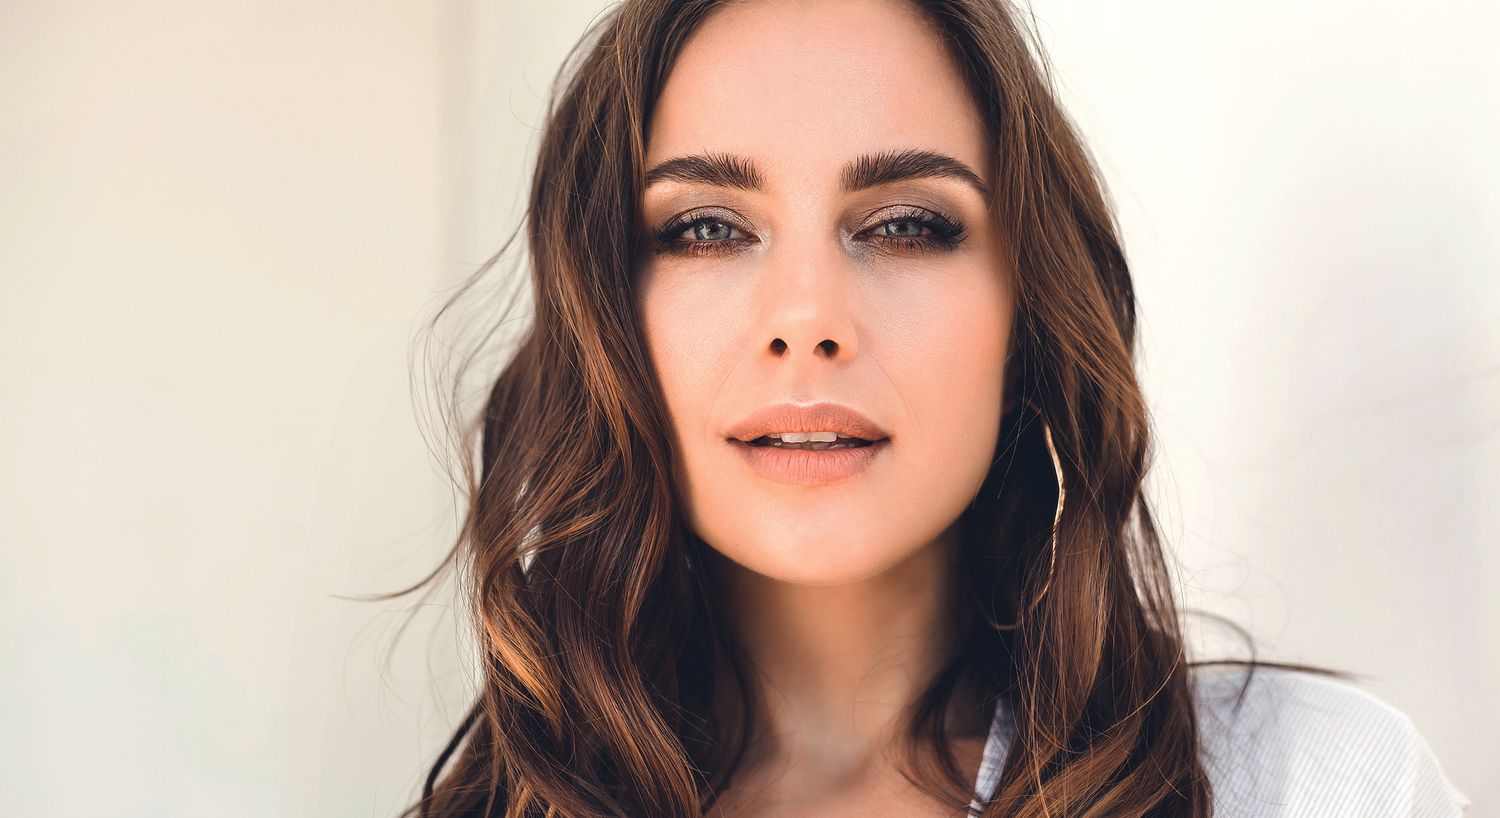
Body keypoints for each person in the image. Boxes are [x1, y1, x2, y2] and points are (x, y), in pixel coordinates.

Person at [395, 0, 1471, 815]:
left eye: (907, 224)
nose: (808, 317)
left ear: (1029, 306)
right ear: (604, 310)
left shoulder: (1316, 783)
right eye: (706, 228)